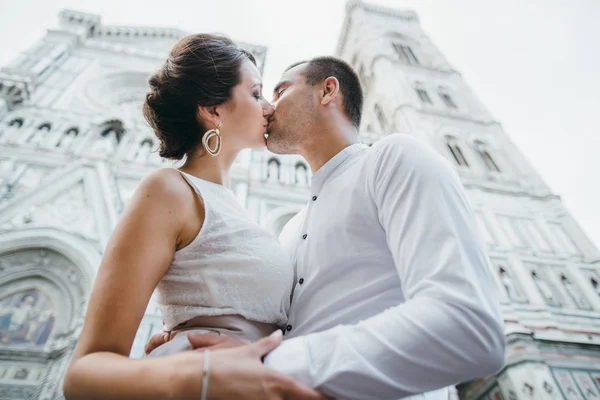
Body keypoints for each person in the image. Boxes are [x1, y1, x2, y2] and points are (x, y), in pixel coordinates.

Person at [147, 57, 507, 399]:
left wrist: (266, 364)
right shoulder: (289, 230)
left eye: (280, 91)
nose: (267, 108)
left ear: (327, 91)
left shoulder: (393, 159)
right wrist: (191, 338)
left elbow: (468, 326)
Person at [62, 34, 326, 400]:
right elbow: (83, 374)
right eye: (255, 94)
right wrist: (188, 372)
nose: (269, 107)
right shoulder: (169, 189)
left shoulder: (237, 209)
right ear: (212, 109)